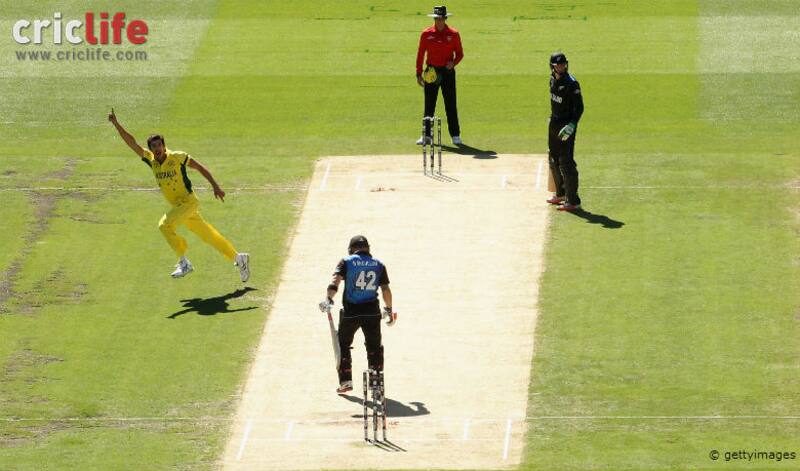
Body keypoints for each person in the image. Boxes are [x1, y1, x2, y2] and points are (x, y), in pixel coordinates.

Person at [108, 108, 250, 281]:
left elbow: (199, 167)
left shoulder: (177, 157)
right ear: (151, 149)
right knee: (209, 236)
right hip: (180, 207)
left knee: (164, 225)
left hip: (189, 203)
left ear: (164, 145)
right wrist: (116, 124)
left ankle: (184, 262)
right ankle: (239, 258)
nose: (158, 148)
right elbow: (132, 143)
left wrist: (215, 186)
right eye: (154, 146)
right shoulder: (151, 160)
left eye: (160, 145)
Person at [319, 235, 396, 394]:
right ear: (368, 248)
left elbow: (335, 281)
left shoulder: (347, 261)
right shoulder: (378, 264)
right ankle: (376, 384)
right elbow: (385, 289)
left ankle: (346, 380)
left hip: (351, 312)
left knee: (343, 344)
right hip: (372, 312)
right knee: (374, 347)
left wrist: (328, 299)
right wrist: (389, 309)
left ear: (351, 248)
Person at [415, 5, 464, 146]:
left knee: (450, 103)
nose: (439, 21)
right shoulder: (426, 33)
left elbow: (460, 54)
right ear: (434, 18)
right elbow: (420, 54)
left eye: (441, 18)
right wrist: (418, 73)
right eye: (437, 18)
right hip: (431, 72)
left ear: (445, 18)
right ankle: (426, 136)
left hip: (447, 72)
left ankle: (455, 135)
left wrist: (453, 63)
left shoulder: (454, 34)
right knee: (429, 104)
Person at [546, 52, 584, 212]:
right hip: (554, 123)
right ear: (552, 66)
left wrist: (572, 124)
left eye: (563, 64)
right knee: (553, 158)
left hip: (566, 126)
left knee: (566, 161)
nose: (561, 67)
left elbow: (580, 107)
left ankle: (573, 200)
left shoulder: (572, 83)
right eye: (558, 65)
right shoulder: (552, 79)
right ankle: (561, 193)